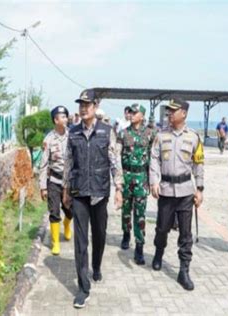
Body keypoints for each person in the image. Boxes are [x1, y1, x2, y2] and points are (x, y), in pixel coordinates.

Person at [62, 89, 123, 309]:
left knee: (99, 235)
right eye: (81, 104)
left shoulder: (107, 132)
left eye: (87, 104)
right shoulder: (74, 133)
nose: (83, 108)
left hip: (99, 193)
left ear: (95, 107)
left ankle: (96, 266)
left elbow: (115, 161)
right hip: (79, 192)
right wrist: (66, 189)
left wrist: (119, 188)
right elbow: (68, 162)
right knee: (80, 241)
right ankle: (83, 288)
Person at [149, 97, 204, 291]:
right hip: (165, 190)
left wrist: (200, 189)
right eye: (169, 111)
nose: (169, 113)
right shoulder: (161, 135)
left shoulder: (194, 137)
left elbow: (198, 164)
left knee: (186, 233)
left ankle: (184, 271)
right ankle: (158, 253)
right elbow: (154, 159)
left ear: (184, 113)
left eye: (173, 111)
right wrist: (154, 181)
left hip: (185, 193)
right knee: (162, 228)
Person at [117, 103, 157, 265]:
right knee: (126, 209)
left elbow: (155, 157)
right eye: (131, 112)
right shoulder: (123, 133)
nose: (131, 114)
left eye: (135, 112)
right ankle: (126, 234)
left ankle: (139, 247)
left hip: (141, 177)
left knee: (140, 213)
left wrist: (154, 180)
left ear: (142, 115)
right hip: (127, 176)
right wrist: (119, 180)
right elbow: (117, 156)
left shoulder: (150, 133)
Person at [39, 106, 73, 255]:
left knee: (70, 210)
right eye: (62, 117)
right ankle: (55, 243)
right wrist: (43, 187)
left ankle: (67, 223)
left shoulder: (72, 136)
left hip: (69, 182)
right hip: (54, 180)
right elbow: (43, 164)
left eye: (66, 116)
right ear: (55, 120)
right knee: (54, 211)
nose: (65, 119)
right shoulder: (49, 139)